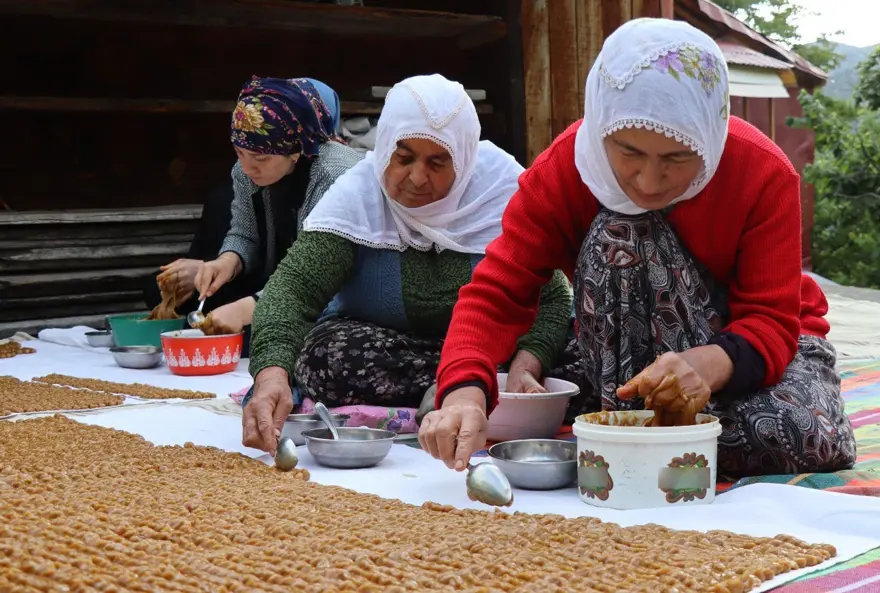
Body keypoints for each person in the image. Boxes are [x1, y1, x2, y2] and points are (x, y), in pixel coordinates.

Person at [419, 18, 857, 478]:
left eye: (677, 158)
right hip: (626, 362)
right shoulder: (565, 169)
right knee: (621, 230)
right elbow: (497, 292)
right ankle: (630, 418)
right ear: (601, 126)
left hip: (751, 357)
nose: (649, 181)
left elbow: (771, 320)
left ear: (709, 135)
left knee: (803, 433)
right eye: (628, 152)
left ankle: (619, 432)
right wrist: (465, 392)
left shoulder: (762, 172)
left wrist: (701, 368)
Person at [240, 74, 573, 455]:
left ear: (463, 157)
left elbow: (554, 300)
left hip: (492, 355)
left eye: (437, 161)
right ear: (383, 150)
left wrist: (527, 367)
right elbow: (292, 291)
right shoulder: (358, 197)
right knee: (326, 356)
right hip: (390, 350)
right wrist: (270, 378)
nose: (417, 177)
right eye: (403, 158)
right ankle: (462, 391)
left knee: (583, 360)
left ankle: (469, 388)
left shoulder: (503, 193)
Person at [149, 77, 361, 348]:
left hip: (337, 295)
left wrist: (244, 310)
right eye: (239, 152)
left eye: (261, 159)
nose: (247, 168)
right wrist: (225, 262)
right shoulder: (245, 170)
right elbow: (244, 234)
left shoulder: (336, 174)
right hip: (283, 286)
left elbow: (317, 274)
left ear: (296, 150)